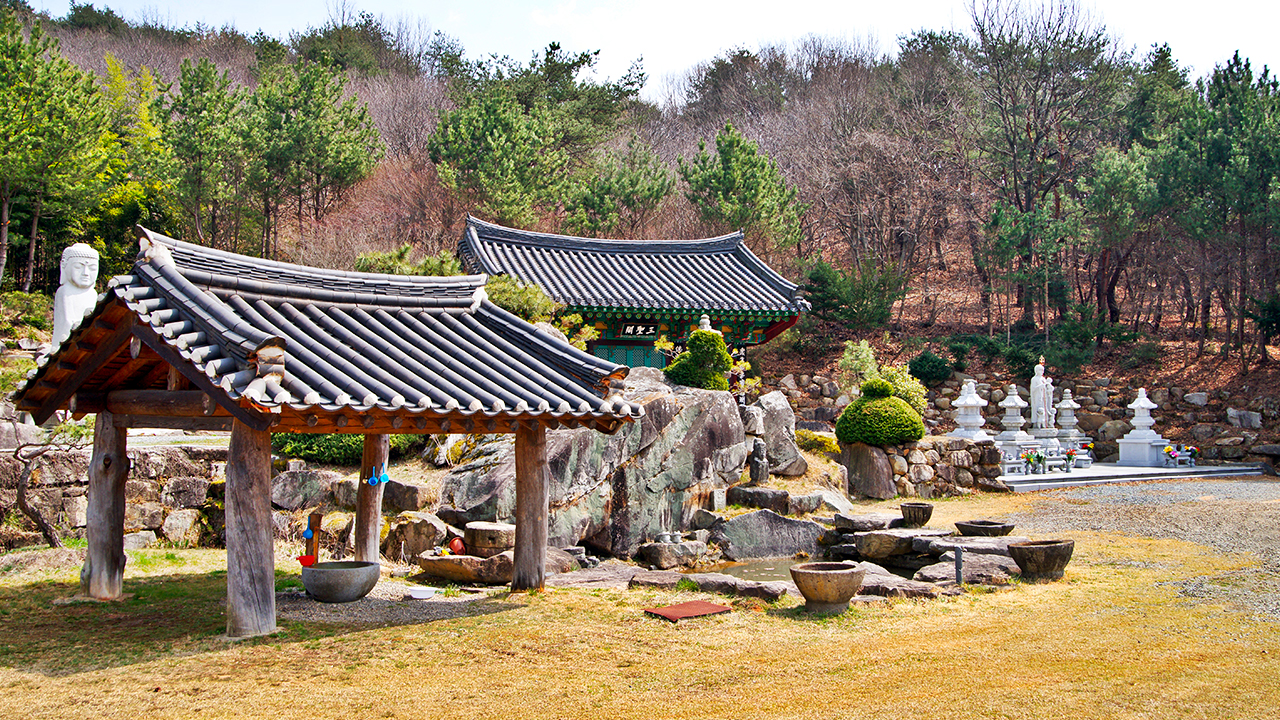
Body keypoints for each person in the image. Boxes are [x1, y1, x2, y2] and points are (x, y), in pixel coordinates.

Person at [51, 243, 100, 350]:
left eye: (92, 268)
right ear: (64, 266)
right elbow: (67, 321)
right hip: (70, 341)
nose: (86, 273)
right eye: (78, 267)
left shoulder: (93, 294)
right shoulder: (64, 291)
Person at [1029, 357, 1055, 429]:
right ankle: (1037, 423)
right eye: (1040, 370)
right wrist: (1041, 386)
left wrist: (1049, 388)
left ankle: (1046, 423)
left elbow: (1047, 387)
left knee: (1045, 409)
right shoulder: (1034, 379)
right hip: (1037, 396)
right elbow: (1033, 389)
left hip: (1044, 397)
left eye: (1042, 370)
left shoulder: (1043, 379)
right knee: (1038, 409)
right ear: (1036, 371)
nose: (1041, 371)